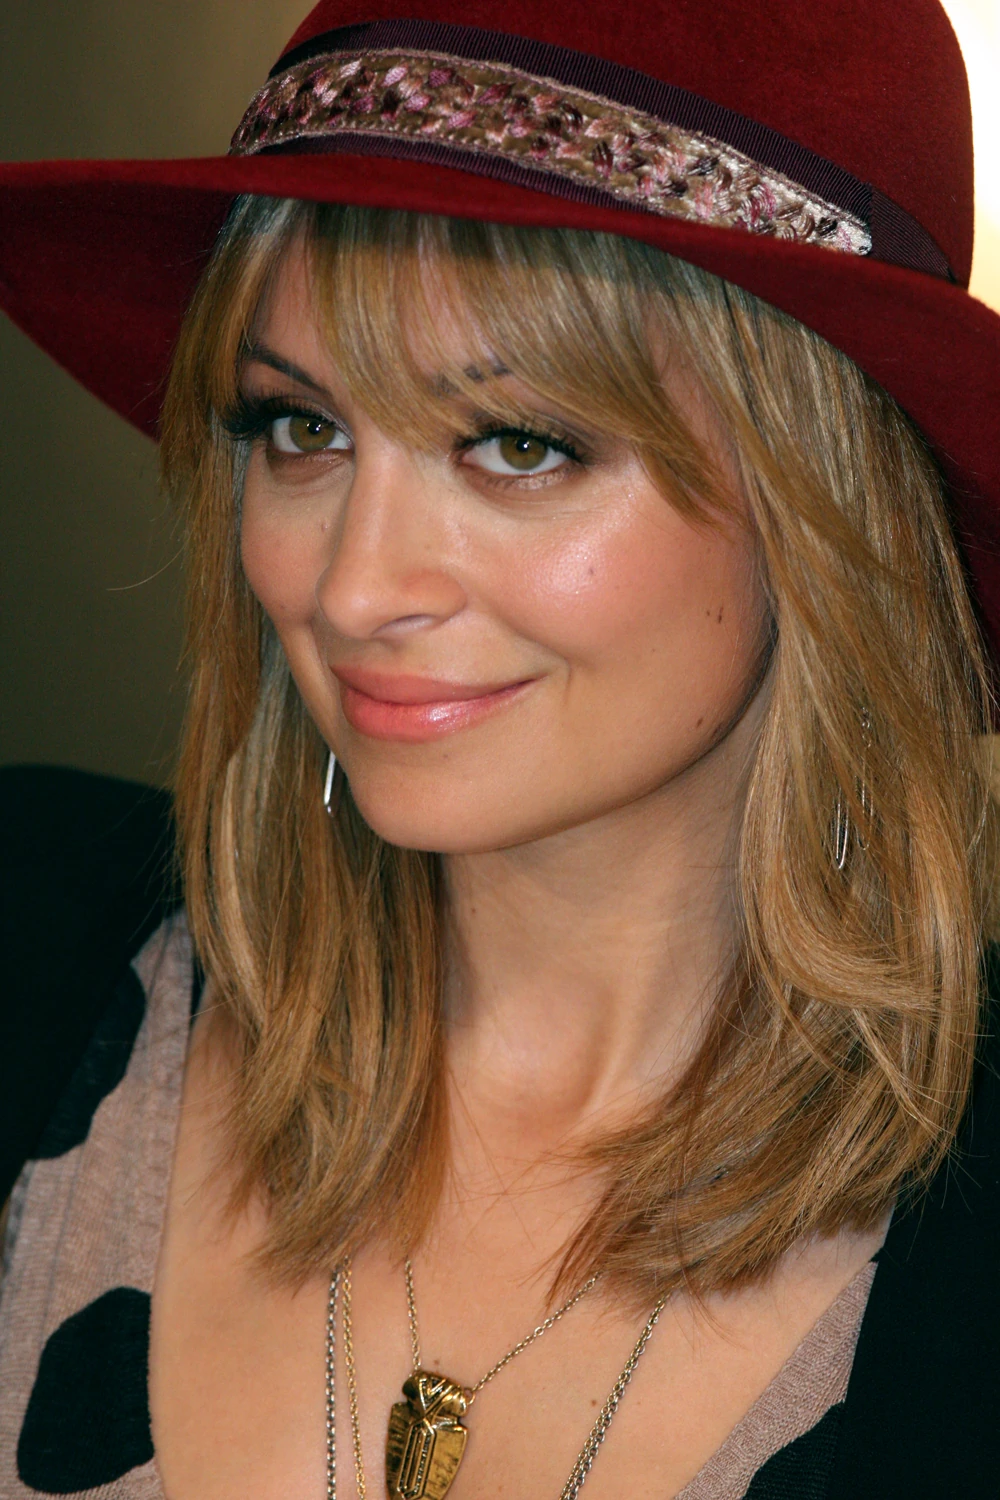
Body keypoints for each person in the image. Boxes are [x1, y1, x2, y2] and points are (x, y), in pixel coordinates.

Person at [1, 1, 999, 1496]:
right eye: (300, 428)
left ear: (822, 498)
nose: (352, 589)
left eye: (518, 445)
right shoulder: (31, 947)